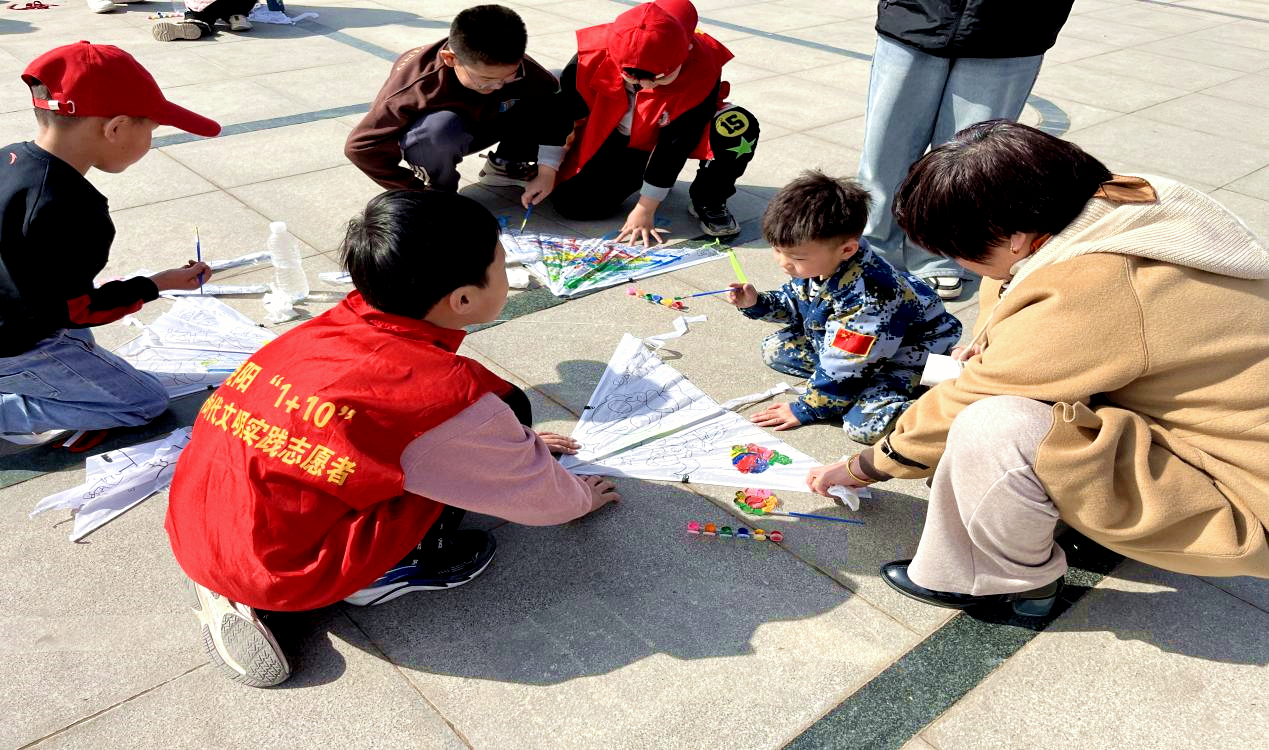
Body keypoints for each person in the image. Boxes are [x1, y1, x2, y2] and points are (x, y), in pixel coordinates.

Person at [808, 121, 1269, 616]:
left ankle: (1001, 581)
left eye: (959, 252)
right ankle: (1058, 515)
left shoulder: (1092, 287)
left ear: (1016, 237)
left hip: (1241, 498)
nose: (960, 266)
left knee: (993, 426)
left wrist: (864, 467)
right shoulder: (1120, 204)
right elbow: (1021, 301)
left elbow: (971, 397)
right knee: (1004, 393)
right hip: (1222, 442)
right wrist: (998, 350)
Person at [165, 190, 621, 687]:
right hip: (288, 567)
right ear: (463, 300)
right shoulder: (439, 397)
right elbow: (538, 499)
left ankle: (226, 575)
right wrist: (579, 498)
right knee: (463, 451)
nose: (508, 275)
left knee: (486, 422)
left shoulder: (334, 325)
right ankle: (385, 574)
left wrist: (508, 442)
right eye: (501, 264)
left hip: (198, 521)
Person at [0, 42, 219, 446]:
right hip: (15, 344)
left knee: (79, 343)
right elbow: (78, 311)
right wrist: (153, 285)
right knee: (144, 402)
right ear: (115, 128)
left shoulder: (8, 159)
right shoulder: (72, 208)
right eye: (151, 129)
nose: (151, 140)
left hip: (17, 312)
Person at [855, 0, 1074, 301]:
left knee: (969, 158)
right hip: (914, 15)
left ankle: (943, 253)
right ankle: (869, 248)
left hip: (1012, 27)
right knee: (885, 151)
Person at [725, 171, 961, 444]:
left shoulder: (871, 297)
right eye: (777, 250)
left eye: (796, 257)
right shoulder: (822, 262)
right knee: (775, 349)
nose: (783, 263)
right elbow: (797, 302)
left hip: (909, 359)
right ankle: (847, 392)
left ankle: (949, 409)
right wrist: (757, 303)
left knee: (864, 425)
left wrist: (807, 408)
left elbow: (847, 362)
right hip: (867, 348)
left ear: (847, 250)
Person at [548, 0, 759, 242]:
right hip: (621, 137)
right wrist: (547, 165)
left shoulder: (703, 65)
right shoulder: (596, 52)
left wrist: (646, 207)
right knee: (573, 205)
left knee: (737, 126)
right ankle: (648, 176)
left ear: (687, 49)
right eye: (633, 77)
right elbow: (562, 111)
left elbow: (678, 141)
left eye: (658, 78)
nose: (646, 85)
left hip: (671, 134)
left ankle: (709, 198)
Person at [344, 5, 563, 206]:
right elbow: (360, 148)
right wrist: (412, 190)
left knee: (559, 85)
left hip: (492, 119)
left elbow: (553, 113)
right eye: (486, 79)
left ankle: (507, 162)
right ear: (451, 59)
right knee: (437, 130)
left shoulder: (524, 69)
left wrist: (547, 171)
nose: (497, 85)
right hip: (442, 134)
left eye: (507, 77)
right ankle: (440, 195)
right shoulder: (415, 87)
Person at [151, 0, 258, 42]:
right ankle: (237, 17)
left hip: (204, 5)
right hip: (232, 3)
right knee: (235, 7)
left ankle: (195, 23)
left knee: (200, 16)